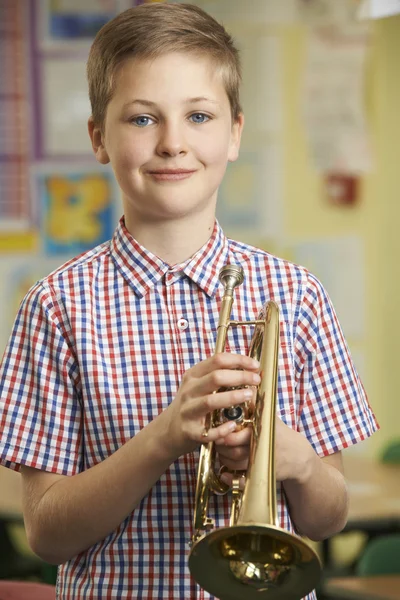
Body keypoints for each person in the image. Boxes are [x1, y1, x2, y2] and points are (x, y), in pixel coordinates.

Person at [0, 3, 378, 600]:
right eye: (143, 119)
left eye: (198, 115)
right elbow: (47, 535)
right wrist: (165, 437)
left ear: (233, 134)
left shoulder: (298, 294)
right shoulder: (55, 305)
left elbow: (327, 519)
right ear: (99, 138)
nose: (174, 143)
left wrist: (297, 463)